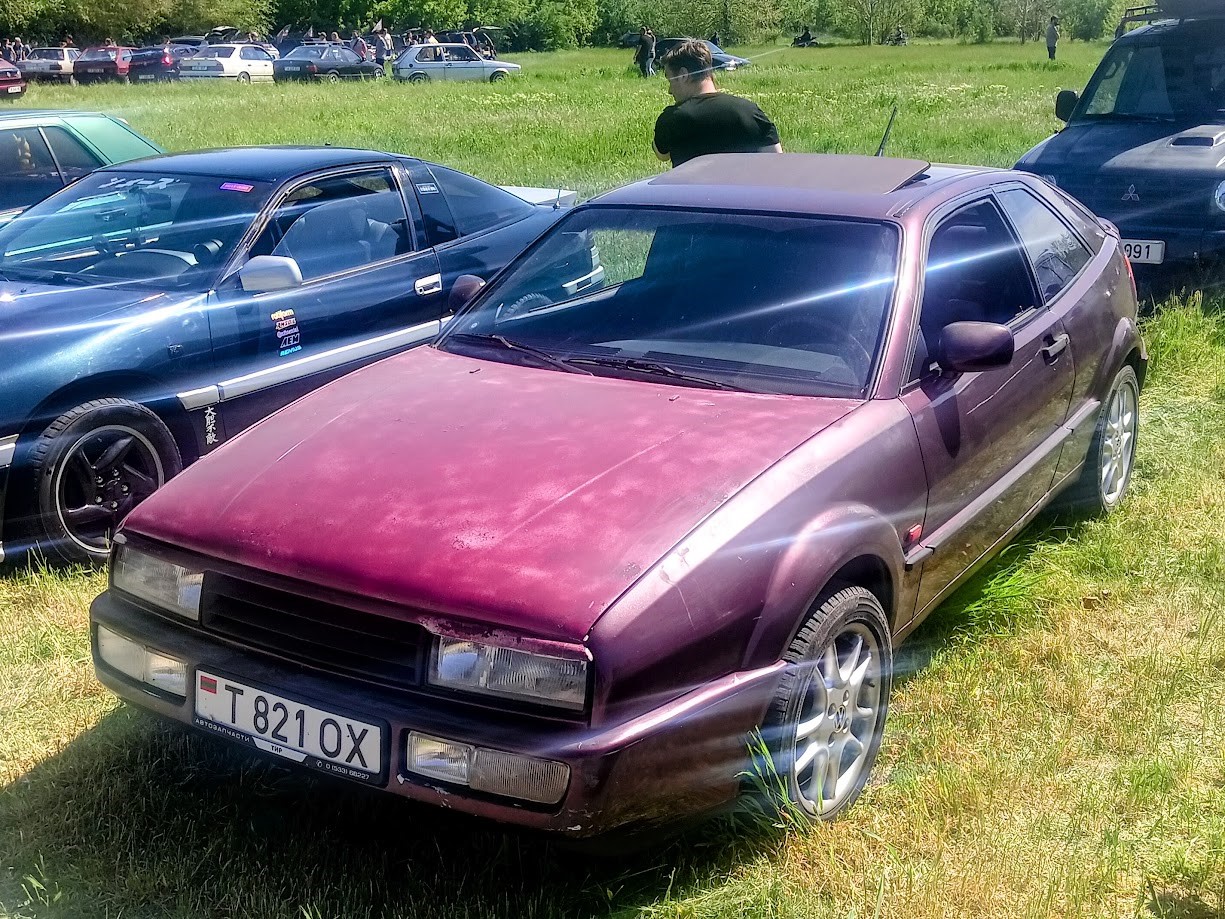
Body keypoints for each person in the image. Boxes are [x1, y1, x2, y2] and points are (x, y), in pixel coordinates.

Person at [652, 38, 781, 168]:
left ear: (683, 75)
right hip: (739, 188)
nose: (670, 91)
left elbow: (662, 155)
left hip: (690, 188)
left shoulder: (672, 118)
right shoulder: (750, 111)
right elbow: (776, 159)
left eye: (671, 81)